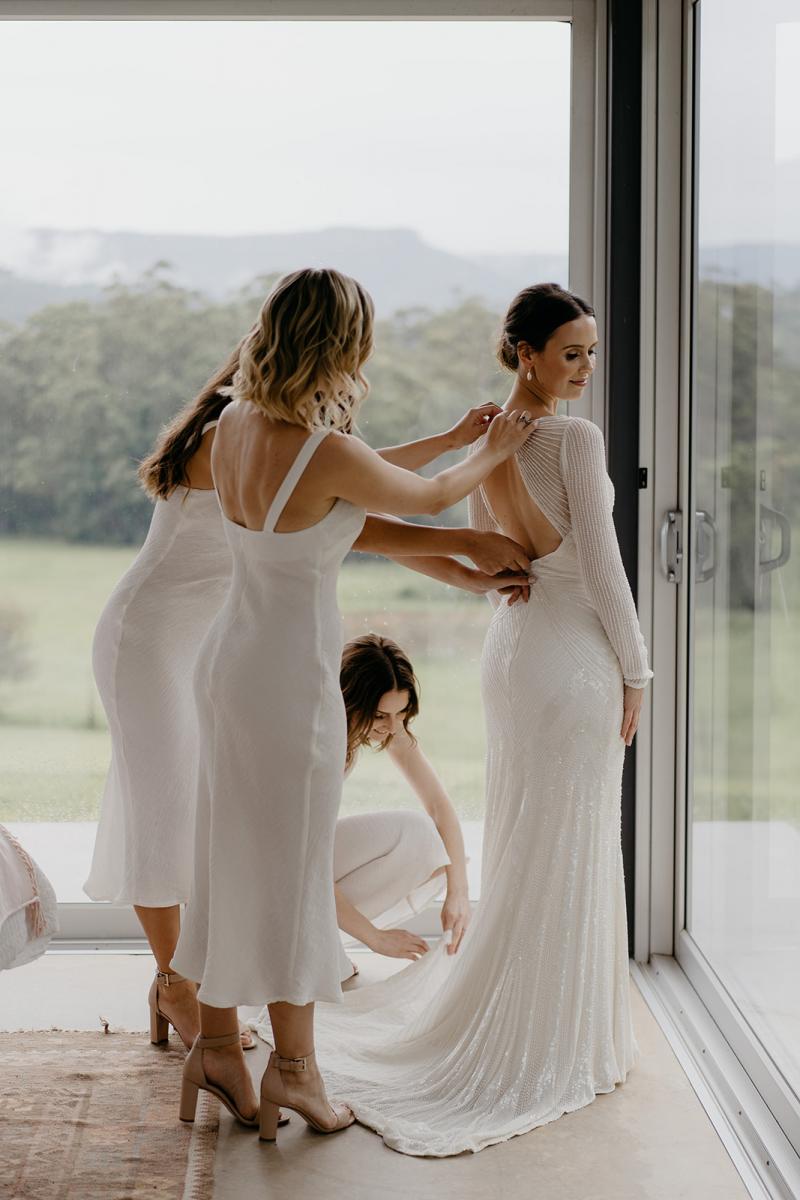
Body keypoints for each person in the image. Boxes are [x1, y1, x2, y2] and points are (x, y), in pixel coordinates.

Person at [84, 336, 531, 1054]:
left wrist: (449, 448)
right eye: (343, 366)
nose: (351, 381)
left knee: (196, 817)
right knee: (164, 817)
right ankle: (174, 987)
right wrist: (462, 539)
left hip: (203, 638)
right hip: (151, 637)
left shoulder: (271, 435)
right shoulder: (225, 433)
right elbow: (345, 513)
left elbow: (344, 489)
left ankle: (196, 982)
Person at [169, 267, 534, 1139]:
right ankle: (294, 1072)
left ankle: (218, 1045)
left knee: (228, 856)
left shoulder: (232, 429)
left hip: (228, 666)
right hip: (287, 681)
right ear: (342, 345)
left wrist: (447, 446)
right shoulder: (321, 450)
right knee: (293, 869)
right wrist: (494, 449)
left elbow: (348, 496)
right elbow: (420, 495)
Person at [292, 282, 652, 1157]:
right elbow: (601, 570)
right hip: (568, 657)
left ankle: (537, 1017)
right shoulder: (570, 438)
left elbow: (468, 540)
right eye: (571, 353)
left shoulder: (500, 439)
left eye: (591, 353)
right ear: (523, 352)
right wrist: (639, 671)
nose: (584, 369)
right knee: (563, 837)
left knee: (534, 834)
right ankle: (560, 1036)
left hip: (512, 646)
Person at [332, 634, 471, 976]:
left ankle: (319, 937)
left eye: (401, 713)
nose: (392, 728)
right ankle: (309, 940)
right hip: (267, 871)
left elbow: (439, 806)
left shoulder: (389, 728)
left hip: (301, 862)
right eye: (380, 716)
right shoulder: (319, 741)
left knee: (422, 837)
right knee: (418, 835)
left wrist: (459, 892)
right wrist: (374, 938)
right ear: (350, 702)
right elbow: (303, 864)